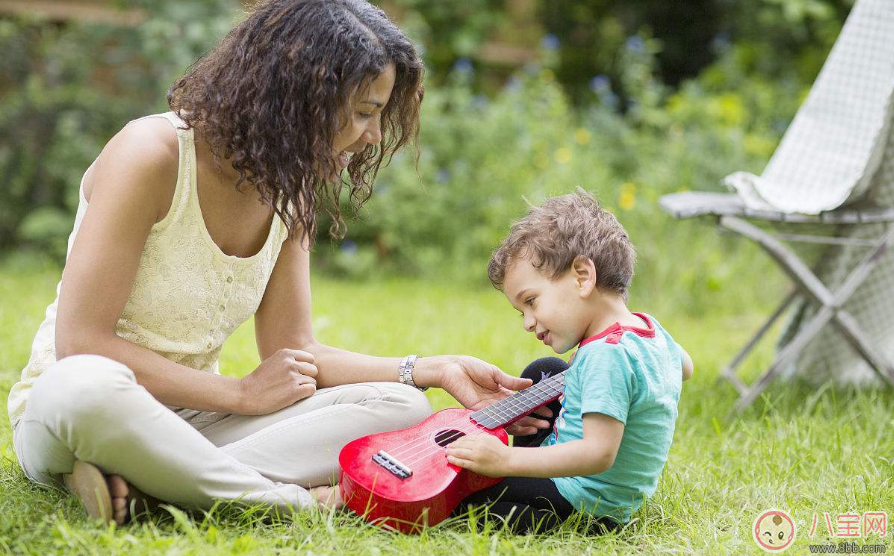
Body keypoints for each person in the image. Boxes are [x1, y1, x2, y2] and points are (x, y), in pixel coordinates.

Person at [6, 0, 548, 526]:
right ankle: (292, 502)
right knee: (83, 384)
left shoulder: (290, 191)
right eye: (364, 112)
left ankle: (157, 482)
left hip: (198, 424)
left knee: (401, 406)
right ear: (300, 93)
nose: (375, 137)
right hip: (81, 410)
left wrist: (430, 369)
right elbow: (82, 343)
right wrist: (240, 394)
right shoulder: (151, 155)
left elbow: (298, 350)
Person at [446, 189, 694, 534]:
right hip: (606, 491)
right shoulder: (646, 329)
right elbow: (684, 366)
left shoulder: (606, 354)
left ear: (582, 277)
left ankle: (546, 514)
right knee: (543, 374)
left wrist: (506, 460)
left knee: (464, 500)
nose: (528, 322)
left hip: (586, 501)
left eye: (531, 301)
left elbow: (597, 454)